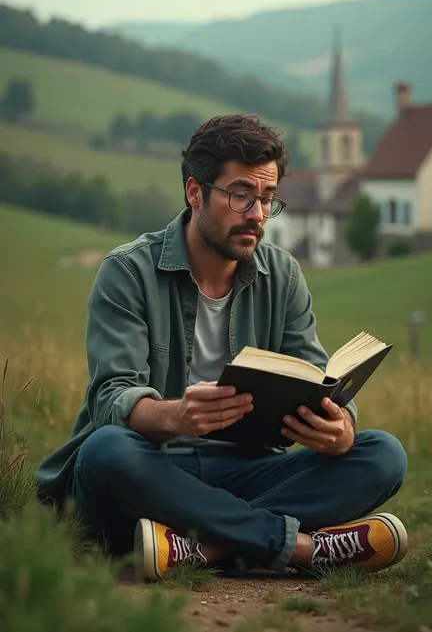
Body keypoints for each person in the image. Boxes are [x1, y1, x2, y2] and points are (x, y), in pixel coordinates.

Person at [36, 114, 408, 581]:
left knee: (382, 454)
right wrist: (176, 417)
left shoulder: (284, 275)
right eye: (240, 195)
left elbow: (319, 377)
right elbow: (111, 398)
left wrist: (340, 429)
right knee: (105, 450)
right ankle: (301, 547)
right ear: (195, 192)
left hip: (247, 470)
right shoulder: (127, 271)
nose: (256, 214)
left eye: (267, 199)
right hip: (152, 468)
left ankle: (200, 548)